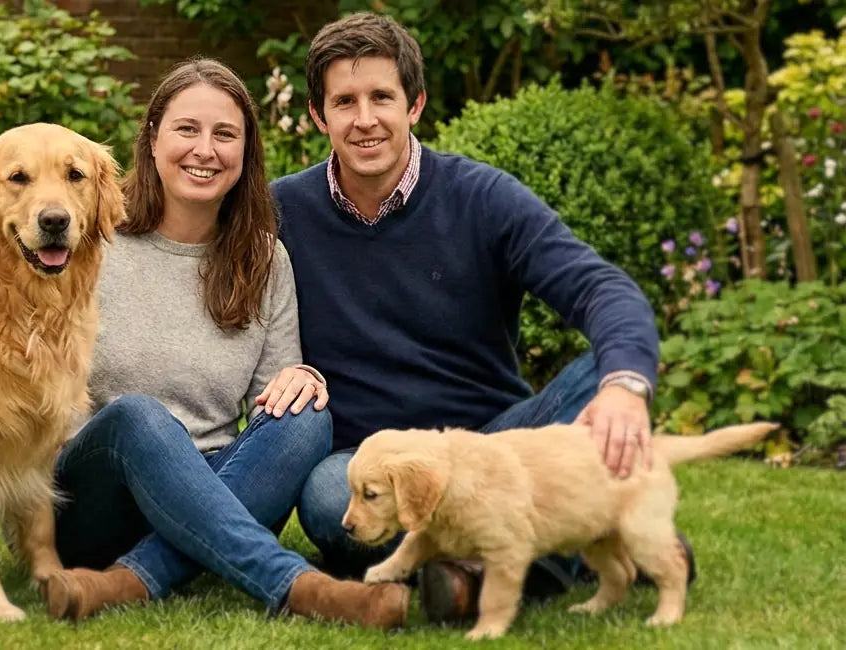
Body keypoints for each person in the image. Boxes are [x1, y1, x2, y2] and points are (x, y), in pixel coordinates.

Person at [270, 13, 692, 622]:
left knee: (605, 368)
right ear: (318, 116)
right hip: (373, 458)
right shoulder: (283, 210)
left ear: (414, 104)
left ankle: (477, 572)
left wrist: (625, 387)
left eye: (382, 97)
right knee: (326, 498)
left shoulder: (483, 198)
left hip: (499, 445)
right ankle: (576, 542)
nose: (365, 119)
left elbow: (601, 289)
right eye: (345, 101)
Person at [38, 57, 409, 629]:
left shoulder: (263, 258)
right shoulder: (89, 242)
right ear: (154, 138)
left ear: (245, 152)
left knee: (308, 417)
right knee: (138, 416)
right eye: (187, 129)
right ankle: (299, 587)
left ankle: (128, 582)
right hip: (91, 495)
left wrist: (300, 380)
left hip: (214, 484)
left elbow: (273, 404)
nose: (204, 150)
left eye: (225, 134)